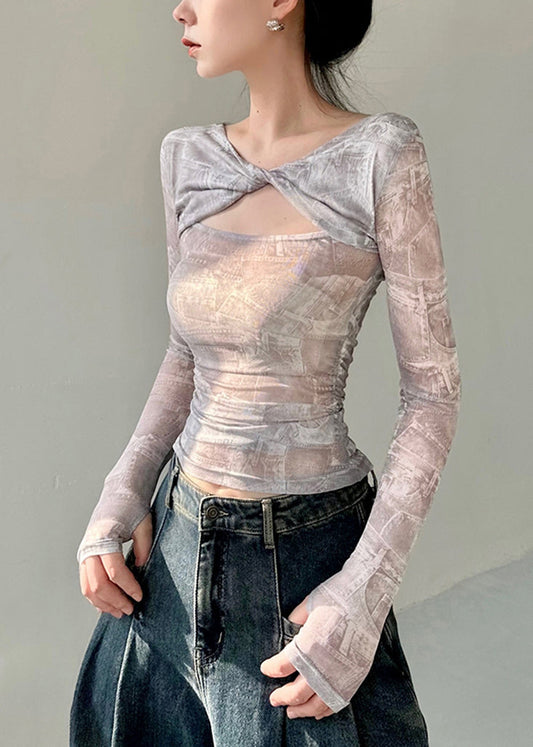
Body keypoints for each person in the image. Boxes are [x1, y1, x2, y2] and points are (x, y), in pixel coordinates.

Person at [70, 0, 462, 744]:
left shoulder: (380, 154)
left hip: (305, 559)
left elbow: (431, 395)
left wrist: (364, 592)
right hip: (169, 556)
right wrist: (118, 496)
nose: (180, 8)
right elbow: (186, 354)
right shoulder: (187, 157)